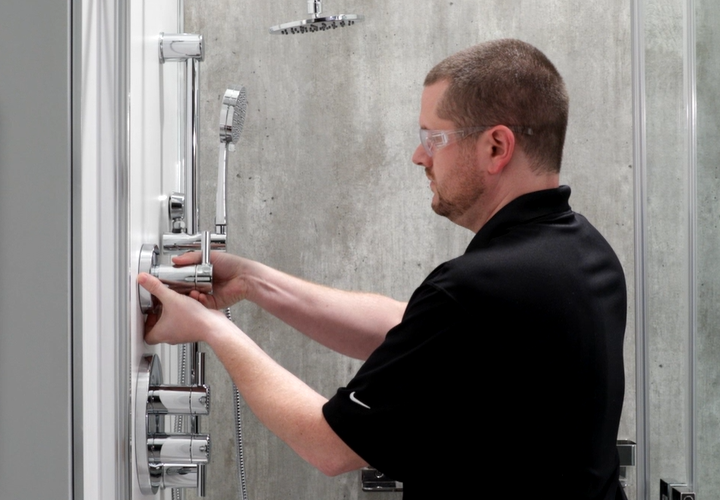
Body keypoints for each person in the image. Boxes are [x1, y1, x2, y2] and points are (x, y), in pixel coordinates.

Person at [138, 38, 627, 499]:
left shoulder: (477, 288)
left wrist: (210, 328)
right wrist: (252, 281)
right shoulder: (584, 253)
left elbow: (327, 445)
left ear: (496, 147)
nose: (419, 157)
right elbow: (415, 332)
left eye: (433, 138)